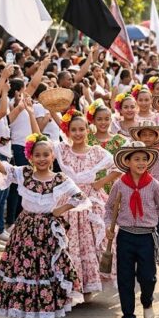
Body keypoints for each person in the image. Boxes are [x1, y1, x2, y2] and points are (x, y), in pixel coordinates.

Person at [0, 133, 88, 318]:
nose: (41, 159)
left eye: (46, 155)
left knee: (47, 269)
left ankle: (47, 309)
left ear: (52, 157)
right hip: (25, 230)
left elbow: (80, 197)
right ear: (30, 156)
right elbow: (2, 168)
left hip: (48, 231)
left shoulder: (60, 178)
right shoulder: (24, 174)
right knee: (25, 270)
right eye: (37, 155)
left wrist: (61, 209)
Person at [55, 109, 119, 298]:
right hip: (68, 201)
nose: (78, 133)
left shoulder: (96, 152)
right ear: (68, 132)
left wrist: (100, 183)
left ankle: (89, 284)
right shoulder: (64, 150)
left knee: (91, 241)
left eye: (81, 129)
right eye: (73, 130)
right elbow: (38, 142)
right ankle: (73, 284)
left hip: (91, 201)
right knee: (70, 241)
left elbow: (118, 167)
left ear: (87, 130)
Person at [105, 141, 159, 318]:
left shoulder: (154, 184)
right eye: (136, 159)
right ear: (128, 162)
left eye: (144, 159)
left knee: (147, 277)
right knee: (125, 279)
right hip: (125, 236)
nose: (141, 163)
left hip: (146, 237)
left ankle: (147, 302)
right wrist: (109, 226)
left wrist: (148, 218)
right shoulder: (119, 184)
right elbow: (109, 208)